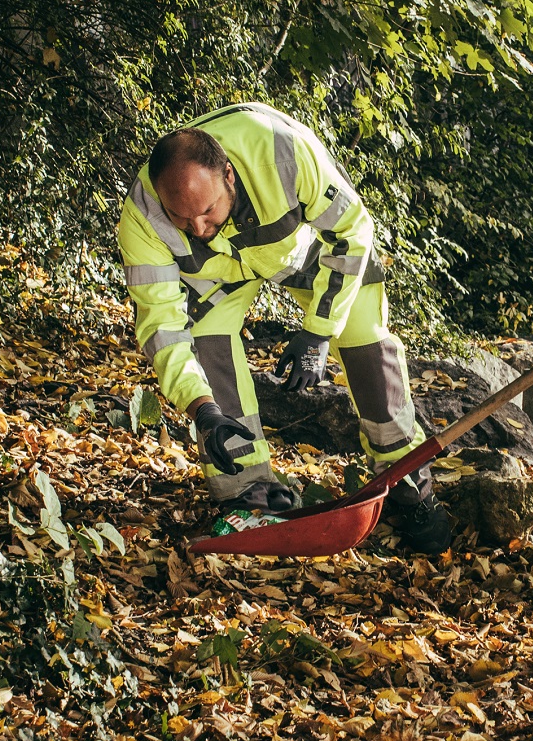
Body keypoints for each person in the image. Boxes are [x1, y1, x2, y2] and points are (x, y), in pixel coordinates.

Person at [116, 102, 453, 552]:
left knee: (366, 343)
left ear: (230, 176)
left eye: (208, 209)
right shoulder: (141, 217)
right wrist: (200, 408)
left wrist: (317, 331)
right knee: (206, 347)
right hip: (216, 279)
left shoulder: (281, 151)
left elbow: (352, 232)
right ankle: (247, 496)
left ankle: (408, 484)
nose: (197, 227)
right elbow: (161, 325)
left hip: (304, 253)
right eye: (181, 217)